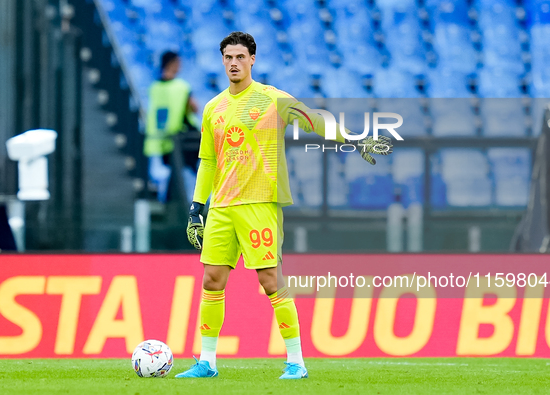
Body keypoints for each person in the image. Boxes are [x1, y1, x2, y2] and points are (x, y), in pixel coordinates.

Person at [176, 32, 392, 380]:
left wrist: (354, 138)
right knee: (212, 280)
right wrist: (197, 207)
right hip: (221, 208)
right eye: (228, 57)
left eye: (240, 57)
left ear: (252, 60)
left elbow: (314, 119)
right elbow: (208, 161)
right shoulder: (213, 108)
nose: (234, 63)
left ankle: (296, 362)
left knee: (270, 280)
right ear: (222, 61)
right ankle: (207, 362)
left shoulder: (271, 99)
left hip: (259, 203)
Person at [144, 51, 200, 204]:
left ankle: (169, 201)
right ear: (173, 63)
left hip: (160, 140)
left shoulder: (154, 88)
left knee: (175, 172)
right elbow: (194, 108)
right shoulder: (181, 87)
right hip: (184, 139)